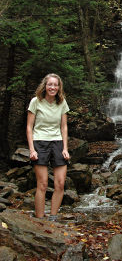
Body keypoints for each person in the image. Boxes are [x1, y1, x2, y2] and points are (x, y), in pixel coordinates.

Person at [26, 73, 70, 221]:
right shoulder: (35, 102)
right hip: (40, 142)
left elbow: (64, 127)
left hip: (57, 142)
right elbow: (29, 127)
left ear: (59, 87)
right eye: (50, 84)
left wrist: (65, 148)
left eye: (55, 85)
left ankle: (53, 217)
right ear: (45, 86)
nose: (53, 87)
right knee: (43, 183)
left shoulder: (62, 102)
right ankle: (39, 218)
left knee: (60, 183)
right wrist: (32, 149)